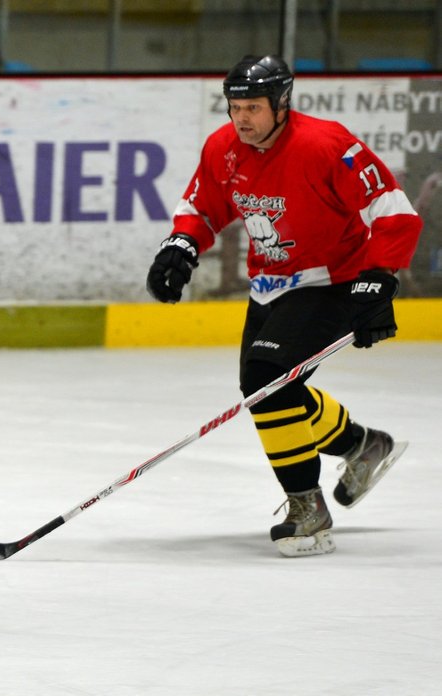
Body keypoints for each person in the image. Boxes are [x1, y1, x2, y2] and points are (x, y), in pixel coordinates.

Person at [146, 55, 422, 557]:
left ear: (281, 104)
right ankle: (363, 445)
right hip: (268, 285)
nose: (242, 118)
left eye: (253, 107)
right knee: (272, 390)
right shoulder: (223, 148)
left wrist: (379, 279)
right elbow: (203, 207)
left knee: (265, 381)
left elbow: (393, 211)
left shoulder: (328, 146)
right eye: (235, 108)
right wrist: (180, 246)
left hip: (331, 282)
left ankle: (307, 509)